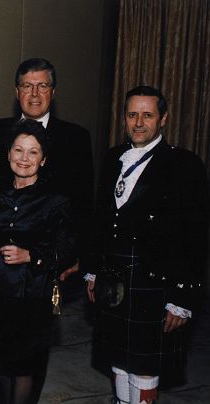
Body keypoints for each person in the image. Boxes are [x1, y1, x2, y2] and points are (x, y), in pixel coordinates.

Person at [0, 57, 92, 404]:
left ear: (52, 92)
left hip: (42, 267)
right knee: (1, 355)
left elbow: (83, 202)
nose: (34, 93)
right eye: (27, 85)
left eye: (42, 85)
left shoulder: (75, 137)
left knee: (29, 353)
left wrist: (72, 256)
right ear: (16, 91)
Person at [85, 86, 209, 404]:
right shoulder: (114, 157)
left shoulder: (184, 164)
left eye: (147, 115)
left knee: (144, 365)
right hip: (114, 279)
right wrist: (92, 271)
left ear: (163, 118)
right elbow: (100, 219)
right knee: (118, 360)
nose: (139, 122)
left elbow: (196, 237)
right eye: (132, 114)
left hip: (153, 282)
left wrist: (183, 298)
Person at [0, 119, 76, 404]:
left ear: (43, 159)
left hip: (32, 296)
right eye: (19, 150)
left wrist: (31, 255)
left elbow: (68, 248)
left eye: (33, 152)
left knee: (24, 368)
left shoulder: (55, 200)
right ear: (8, 153)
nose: (24, 158)